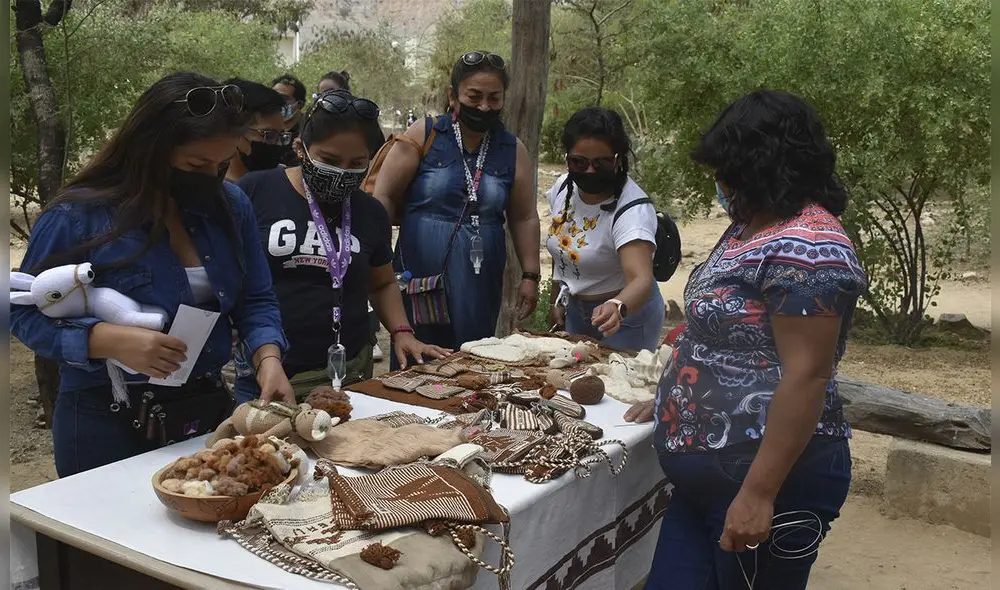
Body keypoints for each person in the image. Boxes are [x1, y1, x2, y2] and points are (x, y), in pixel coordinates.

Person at [625, 90, 867, 589]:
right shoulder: (746, 227)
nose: (718, 180)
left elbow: (808, 373)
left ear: (760, 164)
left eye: (725, 167)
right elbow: (721, 333)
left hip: (769, 486)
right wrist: (677, 396)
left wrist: (759, 492)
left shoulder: (811, 246)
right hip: (703, 484)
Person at [10, 72, 293, 477]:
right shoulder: (76, 216)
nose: (212, 177)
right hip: (105, 415)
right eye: (197, 164)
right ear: (151, 150)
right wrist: (103, 340)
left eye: (222, 164)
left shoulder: (231, 206)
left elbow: (255, 297)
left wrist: (268, 357)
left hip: (202, 406)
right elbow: (21, 310)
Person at [232, 89, 449, 404]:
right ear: (301, 148)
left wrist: (402, 331)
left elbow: (383, 281)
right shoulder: (255, 192)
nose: (341, 172)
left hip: (348, 375)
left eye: (356, 163)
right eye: (329, 160)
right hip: (269, 373)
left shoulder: (370, 212)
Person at [372, 51, 541, 361]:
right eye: (474, 96)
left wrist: (531, 275)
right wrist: (377, 257)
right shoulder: (425, 134)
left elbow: (525, 216)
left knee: (472, 359)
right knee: (416, 361)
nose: (484, 106)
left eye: (494, 98)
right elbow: (383, 195)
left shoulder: (512, 149)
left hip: (480, 276)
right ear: (453, 96)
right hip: (418, 271)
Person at [545, 107, 664, 352]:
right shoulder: (563, 189)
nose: (589, 171)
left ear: (617, 160)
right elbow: (563, 248)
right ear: (567, 159)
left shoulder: (632, 211)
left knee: (616, 387)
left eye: (601, 163)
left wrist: (617, 305)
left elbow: (641, 278)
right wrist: (556, 300)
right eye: (579, 162)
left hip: (626, 318)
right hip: (576, 310)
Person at [222, 78, 291, 182]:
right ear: (233, 130)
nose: (278, 144)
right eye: (269, 135)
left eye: (281, 136)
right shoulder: (214, 189)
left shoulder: (284, 180)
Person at [272, 73, 307, 166]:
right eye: (273, 96)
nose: (277, 101)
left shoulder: (309, 131)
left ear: (299, 104)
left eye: (283, 98)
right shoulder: (263, 128)